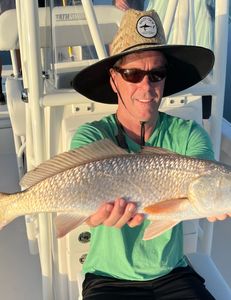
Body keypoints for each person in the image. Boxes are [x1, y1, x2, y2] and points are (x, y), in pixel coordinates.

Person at [71, 9, 231, 300]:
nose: (147, 86)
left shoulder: (189, 134)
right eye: (133, 74)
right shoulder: (91, 136)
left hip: (173, 274)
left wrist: (217, 203)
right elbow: (80, 204)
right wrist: (94, 217)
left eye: (157, 73)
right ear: (113, 80)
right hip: (107, 280)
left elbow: (206, 177)